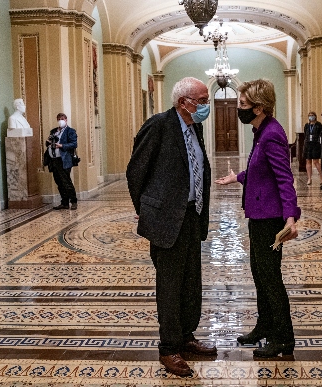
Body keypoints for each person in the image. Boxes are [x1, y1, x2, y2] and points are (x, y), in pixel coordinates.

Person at [126, 77, 216, 377]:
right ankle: (168, 349)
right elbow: (136, 170)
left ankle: (186, 336)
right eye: (201, 100)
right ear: (183, 102)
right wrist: (146, 210)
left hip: (191, 215)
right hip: (166, 218)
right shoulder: (158, 125)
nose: (206, 105)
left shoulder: (194, 126)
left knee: (191, 280)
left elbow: (196, 167)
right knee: (170, 284)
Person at [215, 79, 300, 358]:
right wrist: (238, 177)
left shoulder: (272, 133)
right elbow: (260, 170)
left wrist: (291, 216)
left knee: (270, 277)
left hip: (270, 219)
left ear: (259, 107)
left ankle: (283, 339)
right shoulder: (261, 130)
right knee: (260, 275)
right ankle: (265, 325)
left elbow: (284, 178)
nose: (239, 109)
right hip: (259, 215)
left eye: (242, 105)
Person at [44, 113, 78, 210]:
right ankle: (64, 202)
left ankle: (73, 201)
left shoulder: (70, 131)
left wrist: (61, 145)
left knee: (66, 181)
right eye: (59, 119)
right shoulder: (54, 131)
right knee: (58, 182)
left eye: (62, 119)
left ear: (66, 120)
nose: (60, 120)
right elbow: (47, 143)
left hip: (64, 160)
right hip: (53, 160)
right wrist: (49, 142)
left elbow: (73, 144)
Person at [302, 111, 322, 186]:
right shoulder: (307, 125)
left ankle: (321, 177)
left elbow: (321, 134)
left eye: (312, 115)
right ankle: (309, 178)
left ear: (315, 116)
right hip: (308, 144)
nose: (311, 117)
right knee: (308, 161)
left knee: (316, 161)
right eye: (310, 115)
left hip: (316, 144)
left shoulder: (318, 125)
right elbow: (305, 134)